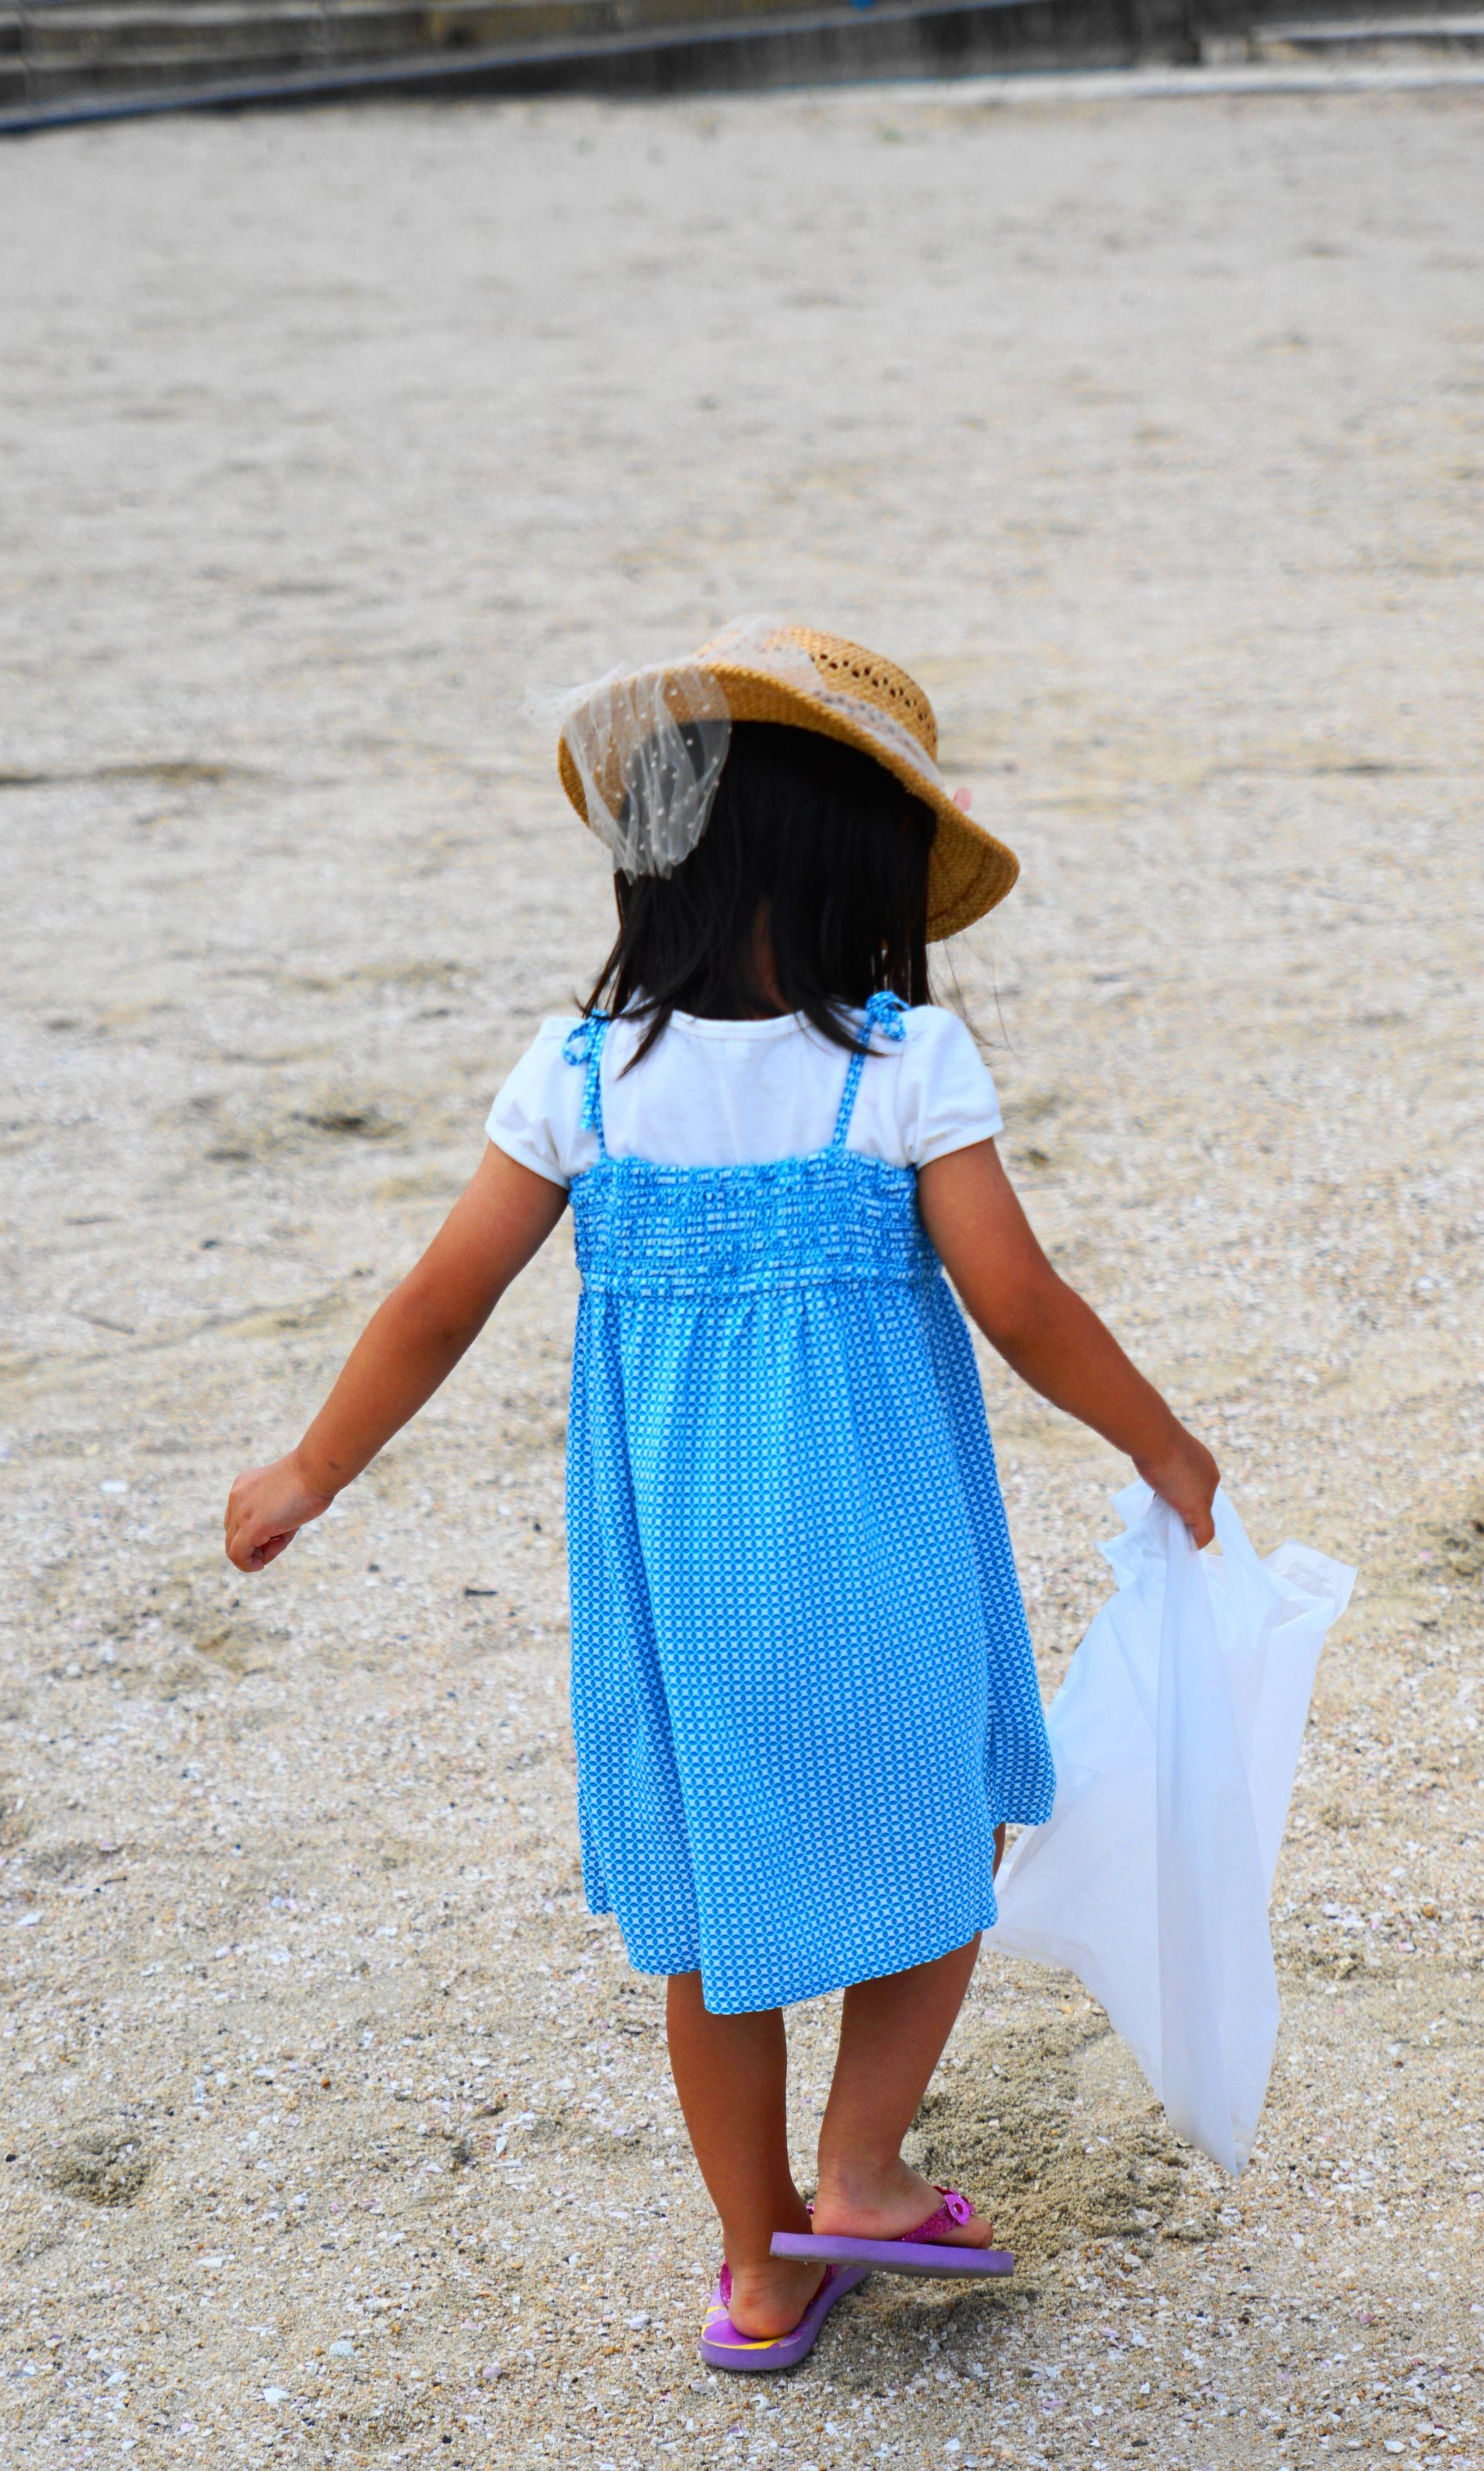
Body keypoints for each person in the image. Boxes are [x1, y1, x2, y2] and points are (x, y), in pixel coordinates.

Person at [225, 622, 1218, 2373]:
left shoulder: (578, 1079)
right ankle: (864, 2172)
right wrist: (1158, 1442)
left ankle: (761, 2271)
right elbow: (1020, 1304)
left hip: (678, 1593)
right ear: (864, 869)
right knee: (945, 1843)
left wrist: (312, 1467)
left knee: (714, 1929)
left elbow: (438, 1301)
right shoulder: (902, 1066)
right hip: (881, 1559)